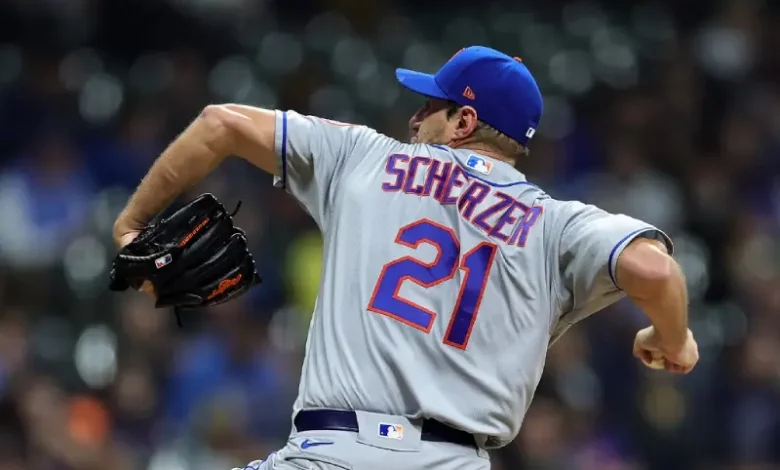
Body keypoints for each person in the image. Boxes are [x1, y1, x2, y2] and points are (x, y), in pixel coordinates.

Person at [113, 46, 699, 470]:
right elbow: (653, 269)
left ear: (463, 121)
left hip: (333, 454)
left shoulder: (367, 156)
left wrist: (132, 224)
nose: (415, 118)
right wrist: (672, 340)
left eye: (430, 106)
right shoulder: (555, 223)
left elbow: (219, 123)